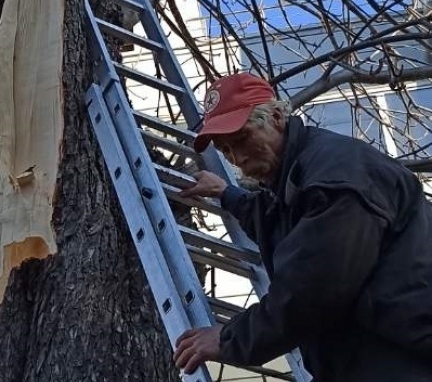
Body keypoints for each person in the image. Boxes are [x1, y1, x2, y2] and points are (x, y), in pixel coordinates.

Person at [172, 72, 432, 382]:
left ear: (278, 117)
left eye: (242, 139)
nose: (237, 157)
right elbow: (284, 224)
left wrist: (229, 338)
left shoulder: (336, 177)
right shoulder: (303, 174)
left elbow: (313, 288)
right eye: (226, 150)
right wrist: (227, 194)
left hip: (401, 357)